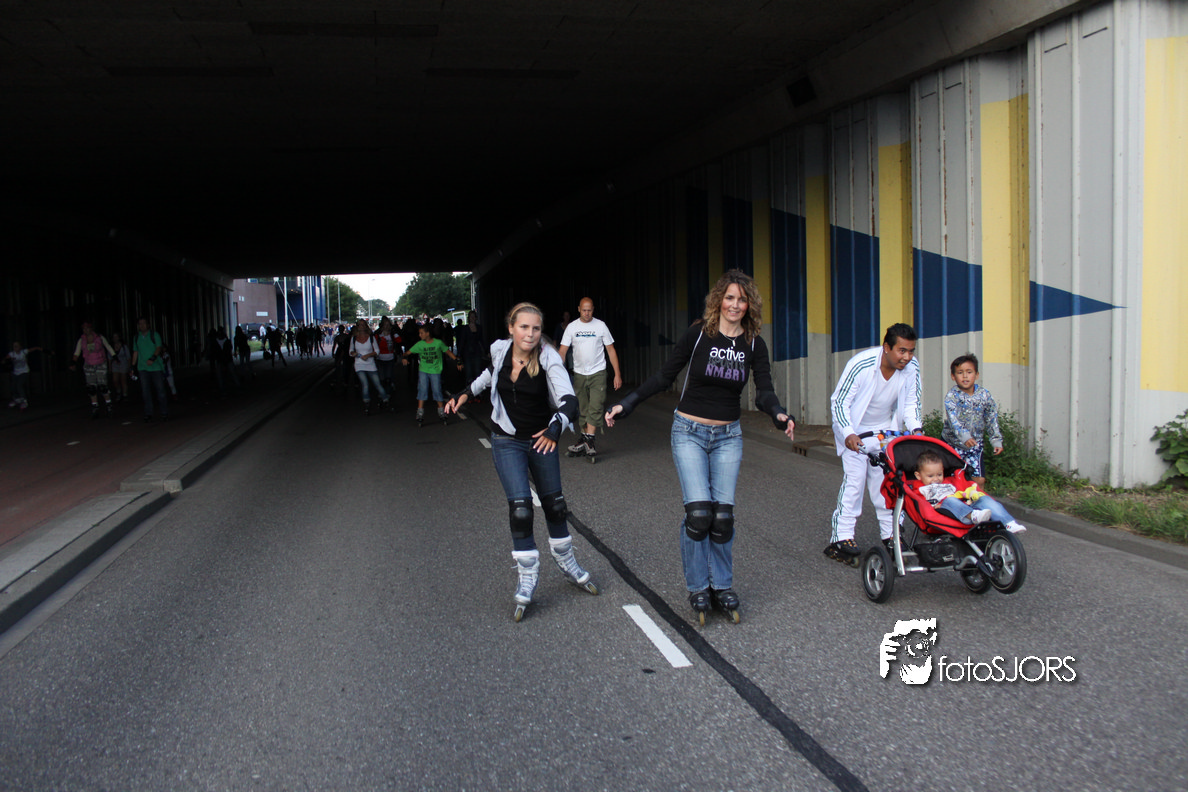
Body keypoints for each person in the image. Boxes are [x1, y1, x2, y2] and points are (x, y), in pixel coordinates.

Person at [605, 270, 795, 623]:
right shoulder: (698, 335)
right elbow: (665, 376)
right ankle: (698, 587)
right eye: (730, 297)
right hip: (689, 432)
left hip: (728, 436)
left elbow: (764, 391)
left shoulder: (754, 344)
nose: (735, 305)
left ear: (750, 305)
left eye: (742, 299)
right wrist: (627, 403)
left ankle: (721, 586)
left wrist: (778, 414)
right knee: (699, 515)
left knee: (722, 518)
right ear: (718, 300)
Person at [444, 302, 598, 621]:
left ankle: (566, 560)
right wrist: (464, 393)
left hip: (541, 437)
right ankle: (527, 575)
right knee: (521, 509)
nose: (530, 334)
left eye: (536, 328)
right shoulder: (500, 350)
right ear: (511, 328)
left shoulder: (548, 357)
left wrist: (555, 427)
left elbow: (569, 401)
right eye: (524, 327)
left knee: (555, 506)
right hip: (506, 439)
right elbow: (489, 374)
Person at [826, 323, 922, 565]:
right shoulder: (862, 364)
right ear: (887, 347)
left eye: (911, 351)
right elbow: (839, 402)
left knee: (889, 484)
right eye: (902, 351)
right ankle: (841, 538)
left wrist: (916, 430)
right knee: (855, 482)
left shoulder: (912, 368)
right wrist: (848, 433)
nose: (907, 357)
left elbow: (912, 404)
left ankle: (892, 535)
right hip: (855, 431)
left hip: (886, 431)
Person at [558, 298, 623, 461]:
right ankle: (585, 440)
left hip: (598, 373)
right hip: (579, 374)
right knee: (583, 408)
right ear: (579, 309)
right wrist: (557, 371)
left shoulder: (600, 326)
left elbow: (611, 350)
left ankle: (589, 440)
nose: (587, 313)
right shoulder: (572, 327)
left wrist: (617, 374)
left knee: (596, 406)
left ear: (593, 309)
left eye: (590, 310)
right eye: (584, 310)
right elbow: (563, 351)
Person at [914, 451, 1025, 532]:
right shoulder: (920, 488)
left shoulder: (949, 481)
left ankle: (1008, 523)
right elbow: (920, 503)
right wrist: (934, 505)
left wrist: (970, 493)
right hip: (945, 510)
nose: (936, 479)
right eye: (930, 476)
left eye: (939, 474)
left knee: (984, 498)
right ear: (918, 475)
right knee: (950, 500)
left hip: (965, 503)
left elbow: (962, 489)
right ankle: (973, 515)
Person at [942, 354, 1003, 487]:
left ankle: (979, 499)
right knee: (953, 479)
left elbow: (991, 417)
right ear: (953, 376)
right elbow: (953, 420)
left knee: (979, 479)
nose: (965, 376)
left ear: (976, 375)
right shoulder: (952, 396)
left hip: (975, 444)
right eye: (960, 373)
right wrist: (964, 436)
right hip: (952, 444)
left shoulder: (984, 395)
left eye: (969, 372)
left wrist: (996, 440)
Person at [401, 323, 461, 426]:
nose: (419, 335)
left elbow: (447, 352)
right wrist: (404, 357)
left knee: (437, 390)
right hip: (423, 370)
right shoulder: (420, 344)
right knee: (422, 390)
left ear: (428, 333)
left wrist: (457, 360)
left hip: (435, 371)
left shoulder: (438, 343)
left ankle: (441, 411)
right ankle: (420, 413)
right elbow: (407, 352)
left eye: (421, 333)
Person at [68, 321, 116, 418]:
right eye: (84, 328)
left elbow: (108, 347)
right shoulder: (82, 340)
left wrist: (114, 356)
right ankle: (95, 407)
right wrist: (73, 362)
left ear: (91, 328)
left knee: (103, 386)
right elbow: (77, 352)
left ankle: (109, 405)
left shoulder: (99, 337)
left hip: (100, 363)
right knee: (91, 388)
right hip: (89, 364)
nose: (85, 330)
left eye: (87, 328)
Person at [130, 317, 169, 422]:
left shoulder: (154, 335)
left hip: (155, 367)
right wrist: (132, 367)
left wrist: (153, 358)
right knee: (145, 392)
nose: (142, 325)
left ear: (148, 325)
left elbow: (158, 347)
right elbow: (135, 352)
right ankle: (148, 413)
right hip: (142, 368)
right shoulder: (136, 337)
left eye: (144, 323)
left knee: (160, 390)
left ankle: (164, 412)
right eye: (140, 324)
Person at [350, 320, 390, 415]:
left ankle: (386, 401)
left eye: (363, 325)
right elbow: (350, 351)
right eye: (360, 325)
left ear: (366, 326)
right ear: (357, 327)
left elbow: (377, 351)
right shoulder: (354, 338)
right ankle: (367, 403)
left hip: (370, 364)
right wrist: (353, 353)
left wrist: (368, 355)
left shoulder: (371, 338)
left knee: (377, 384)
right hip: (359, 364)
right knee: (365, 384)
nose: (362, 326)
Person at [456, 310, 486, 401]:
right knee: (469, 373)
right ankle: (469, 394)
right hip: (467, 353)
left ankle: (478, 393)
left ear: (476, 318)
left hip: (477, 352)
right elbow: (462, 341)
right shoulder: (465, 328)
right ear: (469, 318)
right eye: (471, 316)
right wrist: (459, 354)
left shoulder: (479, 328)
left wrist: (486, 350)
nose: (472, 318)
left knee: (478, 372)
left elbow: (481, 340)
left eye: (474, 316)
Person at [5, 340, 43, 411]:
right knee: (13, 386)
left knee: (19, 385)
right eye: (14, 346)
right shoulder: (12, 354)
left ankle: (24, 401)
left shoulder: (23, 352)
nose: (15, 348)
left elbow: (33, 349)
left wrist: (39, 348)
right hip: (15, 372)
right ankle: (17, 399)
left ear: (20, 347)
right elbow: (5, 360)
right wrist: (9, 360)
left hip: (24, 371)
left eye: (17, 346)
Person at [109, 333, 131, 402]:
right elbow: (109, 358)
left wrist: (129, 367)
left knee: (123, 380)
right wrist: (109, 367)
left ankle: (125, 394)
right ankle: (118, 391)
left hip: (123, 364)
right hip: (115, 365)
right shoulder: (111, 347)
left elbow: (128, 357)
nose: (115, 338)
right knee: (115, 380)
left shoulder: (124, 347)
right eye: (114, 337)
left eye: (116, 337)